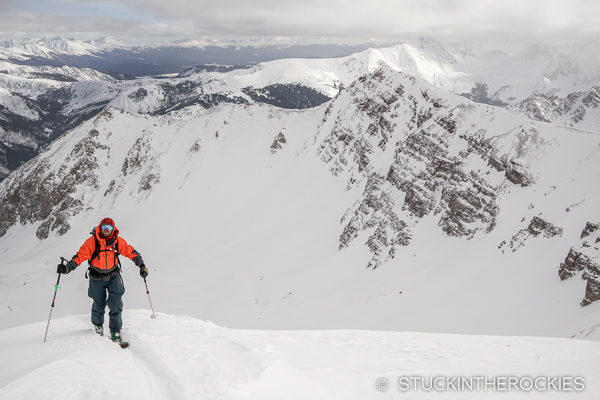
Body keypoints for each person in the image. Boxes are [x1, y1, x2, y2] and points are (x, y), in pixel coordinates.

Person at [57, 217, 148, 341]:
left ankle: (115, 330)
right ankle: (97, 324)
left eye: (109, 227)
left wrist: (142, 266)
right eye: (104, 227)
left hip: (113, 275)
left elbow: (131, 252)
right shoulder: (92, 242)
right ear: (100, 227)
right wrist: (66, 269)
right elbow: (79, 257)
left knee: (116, 303)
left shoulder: (117, 241)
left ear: (113, 229)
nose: (106, 229)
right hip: (96, 277)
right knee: (99, 304)